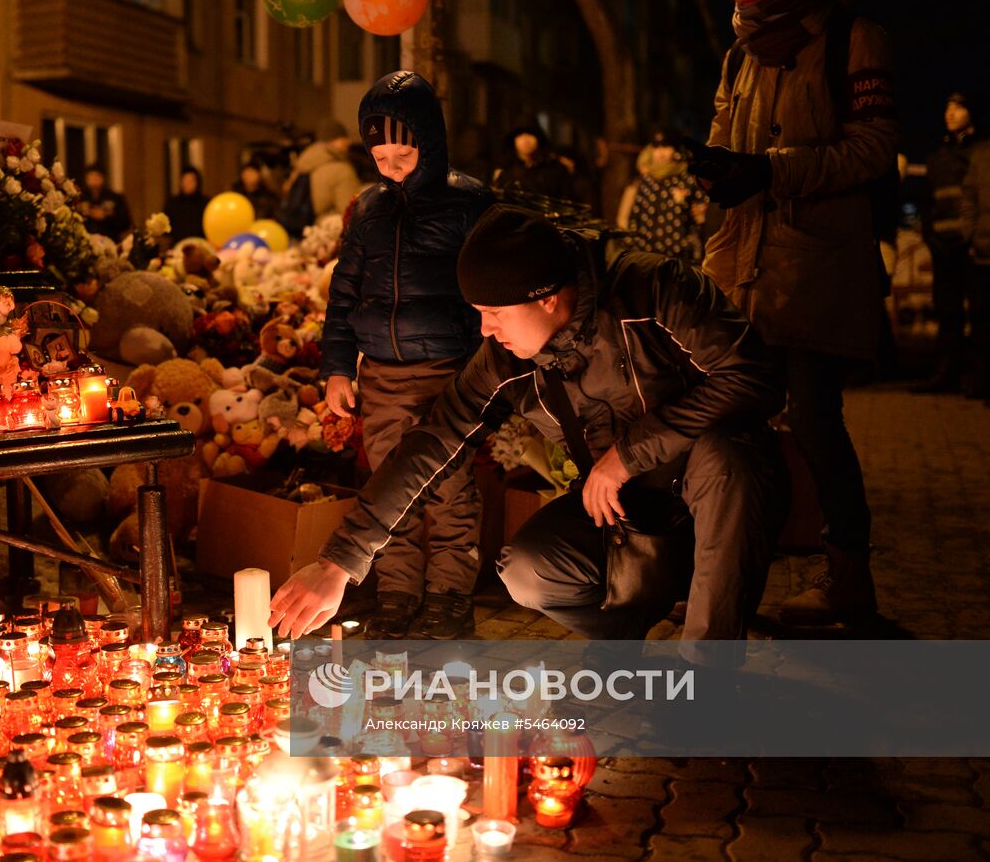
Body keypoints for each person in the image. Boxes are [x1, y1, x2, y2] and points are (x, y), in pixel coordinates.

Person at [270, 208, 788, 643]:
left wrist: (629, 453)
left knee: (727, 459)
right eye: (477, 312)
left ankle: (709, 673)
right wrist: (341, 563)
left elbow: (756, 377)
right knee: (528, 569)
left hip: (719, 496)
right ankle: (631, 636)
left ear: (548, 298)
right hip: (631, 519)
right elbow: (431, 444)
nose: (484, 329)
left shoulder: (654, 290)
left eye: (494, 312)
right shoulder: (504, 359)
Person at [685, 0, 896, 628]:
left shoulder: (851, 40)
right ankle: (723, 579)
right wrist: (715, 170)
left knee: (812, 421)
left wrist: (769, 171)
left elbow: (872, 150)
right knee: (729, 426)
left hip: (814, 269)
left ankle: (848, 579)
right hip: (739, 268)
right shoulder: (739, 53)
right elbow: (725, 139)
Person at [318, 71, 493, 640]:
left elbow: (489, 288)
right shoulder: (369, 212)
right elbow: (343, 294)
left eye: (404, 153)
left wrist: (484, 365)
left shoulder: (467, 205)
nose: (392, 167)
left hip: (448, 373)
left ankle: (448, 595)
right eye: (380, 156)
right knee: (389, 486)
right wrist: (339, 368)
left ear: (431, 143)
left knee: (449, 490)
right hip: (382, 378)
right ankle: (396, 591)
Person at [915, 92, 979, 393]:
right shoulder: (937, 156)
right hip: (944, 247)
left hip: (974, 247)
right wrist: (930, 236)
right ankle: (948, 372)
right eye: (947, 106)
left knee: (980, 312)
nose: (951, 112)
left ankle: (976, 374)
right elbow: (927, 202)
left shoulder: (980, 152)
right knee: (947, 309)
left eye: (959, 106)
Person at [616, 130, 710, 261]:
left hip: (680, 256)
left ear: (675, 150)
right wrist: (629, 242)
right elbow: (624, 217)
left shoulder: (688, 180)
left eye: (666, 146)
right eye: (656, 147)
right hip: (645, 255)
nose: (661, 152)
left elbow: (701, 216)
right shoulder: (642, 181)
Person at [959, 141, 990, 400]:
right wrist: (969, 234)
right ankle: (983, 381)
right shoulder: (982, 154)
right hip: (982, 251)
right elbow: (969, 196)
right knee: (981, 321)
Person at [286, 118, 362, 220]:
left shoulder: (303, 164)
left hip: (304, 230)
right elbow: (351, 214)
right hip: (331, 231)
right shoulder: (341, 170)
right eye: (343, 137)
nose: (349, 141)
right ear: (332, 140)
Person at [494, 124, 573, 200]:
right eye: (520, 135)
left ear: (539, 139)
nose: (525, 140)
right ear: (513, 140)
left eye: (530, 134)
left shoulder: (555, 168)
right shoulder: (506, 170)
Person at [76, 165, 132, 241]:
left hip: (109, 240)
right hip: (85, 240)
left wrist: (105, 217)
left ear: (103, 178)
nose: (94, 180)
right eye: (91, 176)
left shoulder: (115, 198)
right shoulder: (80, 198)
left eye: (97, 176)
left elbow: (125, 222)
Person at [165, 166, 207, 241]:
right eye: (185, 181)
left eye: (191, 181)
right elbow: (166, 229)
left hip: (200, 245)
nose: (188, 184)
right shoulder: (173, 204)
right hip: (177, 246)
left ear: (197, 183)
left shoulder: (205, 203)